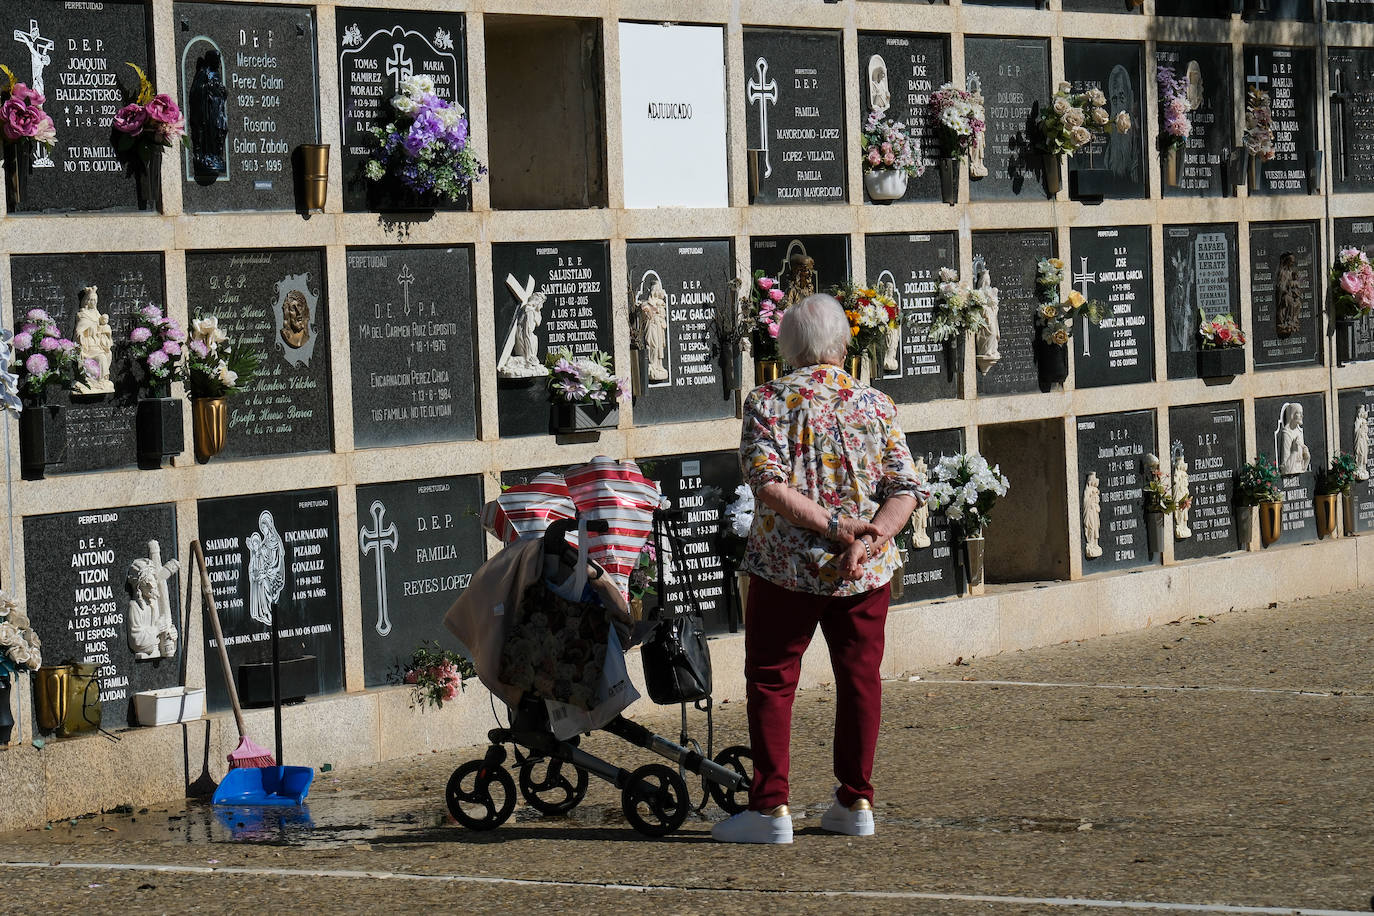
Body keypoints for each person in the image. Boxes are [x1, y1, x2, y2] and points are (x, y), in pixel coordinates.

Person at [713, 294, 925, 845]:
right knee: (860, 679)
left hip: (787, 566)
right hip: (863, 572)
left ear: (788, 348)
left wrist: (833, 528)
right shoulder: (877, 404)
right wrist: (870, 536)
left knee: (771, 680)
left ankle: (770, 809)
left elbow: (769, 485)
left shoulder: (767, 401)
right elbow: (905, 487)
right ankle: (855, 801)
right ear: (842, 345)